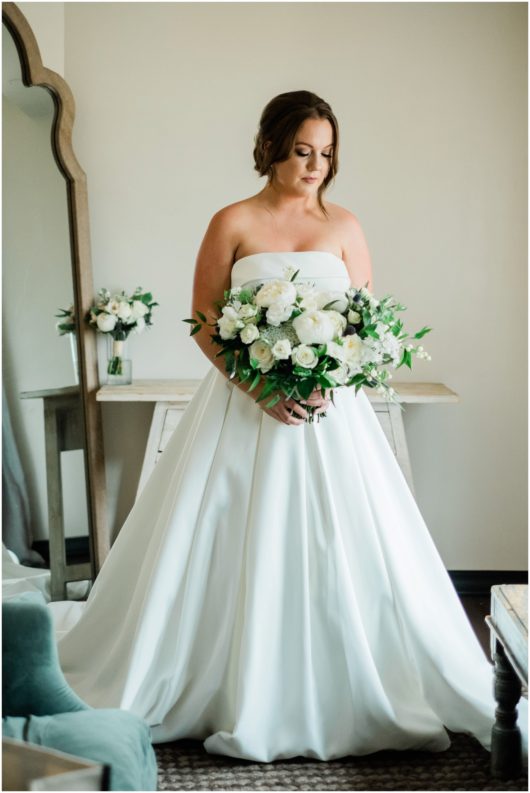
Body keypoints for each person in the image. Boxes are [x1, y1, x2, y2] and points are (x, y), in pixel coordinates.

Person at [53, 90, 527, 763]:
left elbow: (363, 328)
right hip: (243, 411)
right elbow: (204, 320)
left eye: (326, 153)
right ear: (272, 146)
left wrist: (325, 379)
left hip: (332, 417)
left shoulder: (346, 227)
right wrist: (259, 386)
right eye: (303, 150)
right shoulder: (233, 220)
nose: (315, 165)